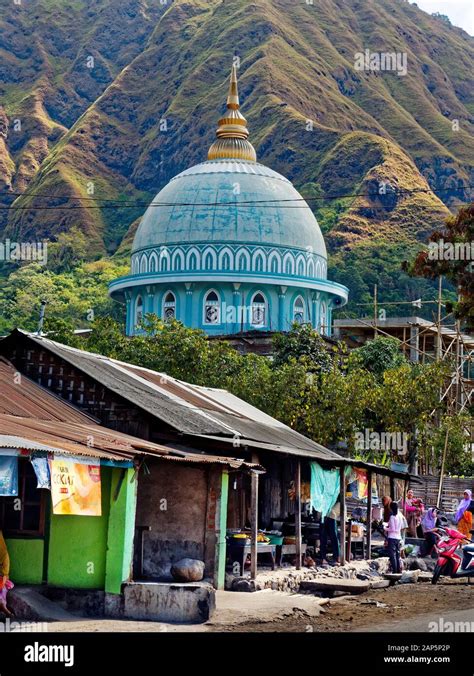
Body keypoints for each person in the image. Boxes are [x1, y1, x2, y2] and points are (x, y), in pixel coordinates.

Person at [319, 499, 340, 565]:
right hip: (323, 513)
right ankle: (323, 558)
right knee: (323, 537)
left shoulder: (338, 493)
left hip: (331, 515)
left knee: (334, 537)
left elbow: (339, 503)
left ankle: (337, 557)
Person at [385, 502, 403, 573]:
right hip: (398, 538)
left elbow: (392, 529)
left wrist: (385, 528)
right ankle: (398, 571)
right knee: (397, 556)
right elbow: (399, 527)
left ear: (391, 508)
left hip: (392, 538)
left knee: (392, 556)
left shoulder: (392, 517)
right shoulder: (400, 516)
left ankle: (395, 571)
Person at [0, 528, 12, 616]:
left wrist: (3, 577)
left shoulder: (4, 554)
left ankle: (3, 607)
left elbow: (5, 573)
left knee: (2, 589)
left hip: (2, 578)